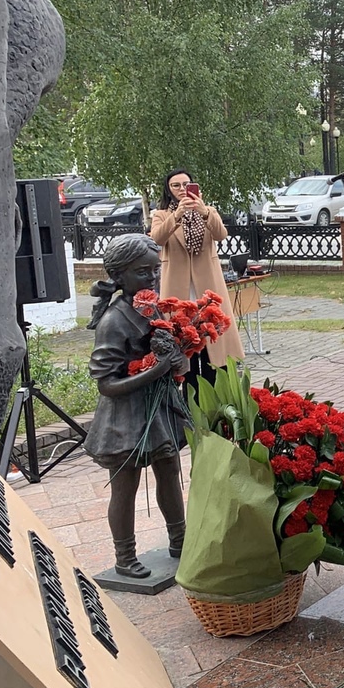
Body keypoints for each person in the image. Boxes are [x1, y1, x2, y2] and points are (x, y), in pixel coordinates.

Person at [85, 235, 190, 578]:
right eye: (143, 272)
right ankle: (125, 557)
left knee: (169, 471)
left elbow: (169, 352)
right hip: (124, 417)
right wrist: (156, 370)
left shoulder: (150, 308)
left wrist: (178, 361)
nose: (152, 279)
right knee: (125, 485)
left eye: (155, 271)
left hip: (157, 411)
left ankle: (181, 539)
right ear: (119, 276)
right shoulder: (113, 321)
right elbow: (106, 385)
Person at [149, 169, 244, 385]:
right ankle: (189, 402)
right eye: (176, 186)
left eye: (186, 184)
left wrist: (205, 213)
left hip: (208, 287)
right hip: (178, 288)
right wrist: (176, 216)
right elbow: (157, 239)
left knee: (213, 346)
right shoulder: (161, 214)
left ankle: (213, 398)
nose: (182, 189)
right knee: (186, 346)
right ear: (169, 190)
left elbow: (221, 234)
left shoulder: (208, 210)